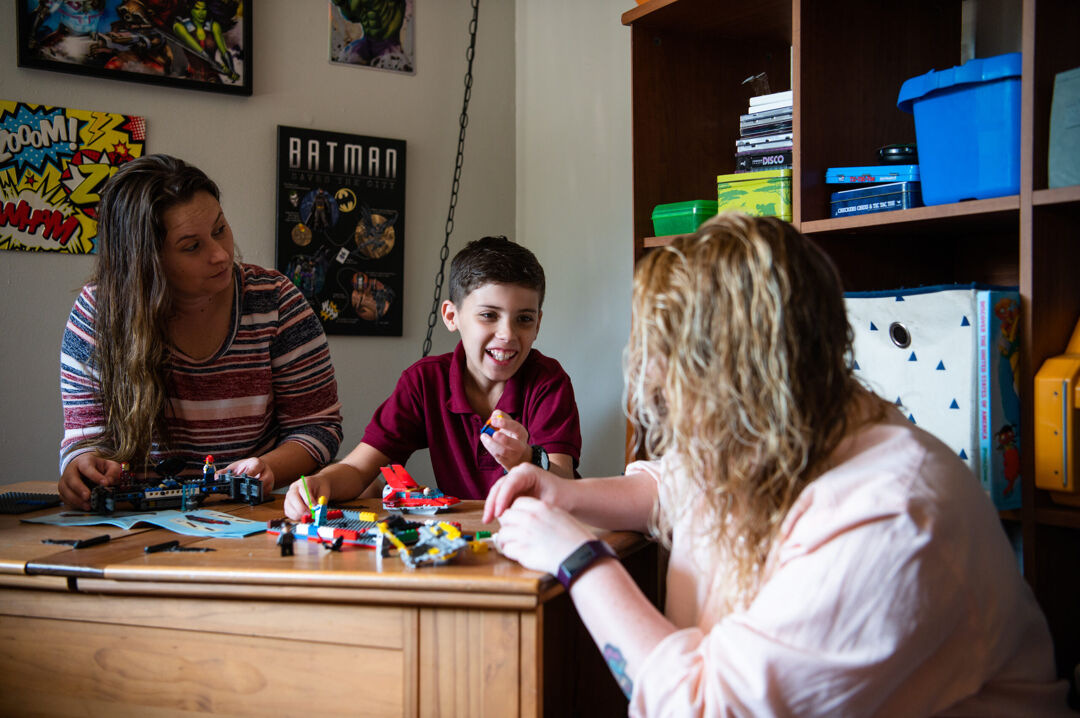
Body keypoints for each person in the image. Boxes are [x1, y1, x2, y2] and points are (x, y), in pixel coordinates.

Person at [483, 213, 1069, 715]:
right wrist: (562, 495)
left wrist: (579, 558)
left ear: (749, 379)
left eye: (678, 372)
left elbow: (707, 707)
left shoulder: (894, 513)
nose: (661, 388)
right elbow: (678, 485)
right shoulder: (798, 429)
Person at [59, 154, 343, 510]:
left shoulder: (275, 300)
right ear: (146, 261)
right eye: (192, 246)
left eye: (220, 230)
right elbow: (85, 438)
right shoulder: (98, 314)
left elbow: (318, 427)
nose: (221, 255)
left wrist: (267, 467)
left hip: (249, 517)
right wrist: (81, 465)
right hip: (135, 519)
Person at [284, 236, 581, 519]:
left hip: (536, 534)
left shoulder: (548, 382)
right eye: (489, 315)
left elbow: (563, 480)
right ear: (451, 317)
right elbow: (359, 469)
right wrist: (318, 484)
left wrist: (526, 460)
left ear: (538, 323)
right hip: (461, 544)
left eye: (524, 319)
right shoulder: (425, 381)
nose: (507, 334)